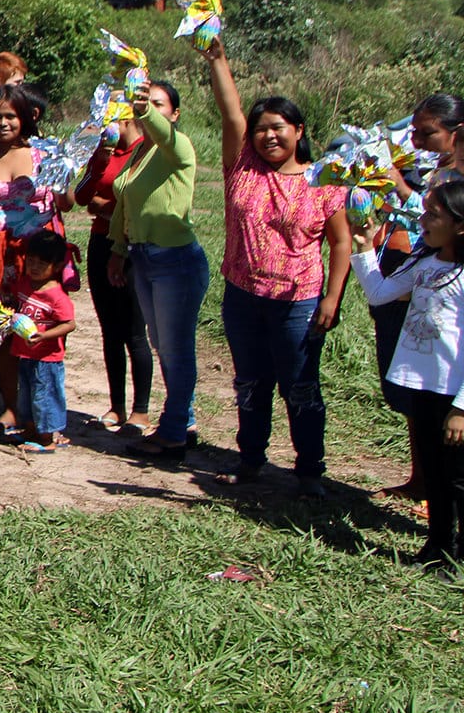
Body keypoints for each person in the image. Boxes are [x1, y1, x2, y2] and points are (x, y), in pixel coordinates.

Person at [202, 42, 350, 496]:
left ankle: (309, 471)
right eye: (261, 129)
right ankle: (251, 459)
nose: (268, 136)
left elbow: (341, 241)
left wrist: (332, 297)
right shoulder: (242, 167)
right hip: (243, 296)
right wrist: (217, 59)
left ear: (298, 130)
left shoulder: (324, 181)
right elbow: (231, 113)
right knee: (250, 382)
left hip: (297, 301)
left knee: (300, 387)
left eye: (278, 128)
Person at [350, 182, 464, 568]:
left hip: (454, 395)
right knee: (434, 472)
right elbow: (379, 293)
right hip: (424, 387)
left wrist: (462, 408)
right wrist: (365, 247)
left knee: (457, 478)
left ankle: (455, 555)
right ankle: (438, 548)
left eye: (433, 214)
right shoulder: (424, 265)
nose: (422, 219)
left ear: (460, 225)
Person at [0, 81, 71, 439]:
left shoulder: (44, 154)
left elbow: (67, 203)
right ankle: (11, 407)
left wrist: (65, 175)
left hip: (37, 259)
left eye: (10, 116)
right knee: (3, 330)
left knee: (40, 331)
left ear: (25, 118)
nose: (3, 123)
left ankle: (43, 415)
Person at [108, 79, 208, 462]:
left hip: (175, 261)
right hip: (144, 259)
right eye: (145, 103)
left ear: (174, 114)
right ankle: (185, 422)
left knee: (175, 349)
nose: (148, 109)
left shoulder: (178, 146)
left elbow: (163, 132)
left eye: (158, 104)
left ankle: (173, 433)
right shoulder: (141, 152)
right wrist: (119, 250)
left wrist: (143, 108)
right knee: (164, 346)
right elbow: (125, 205)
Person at [75, 116, 153, 433]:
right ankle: (116, 406)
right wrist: (99, 163)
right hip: (101, 243)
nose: (103, 125)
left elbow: (136, 204)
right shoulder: (104, 152)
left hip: (134, 247)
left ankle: (141, 410)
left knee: (135, 331)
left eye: (109, 118)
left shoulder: (146, 150)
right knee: (110, 330)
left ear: (126, 118)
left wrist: (104, 207)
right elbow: (82, 197)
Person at [5, 230, 77, 452]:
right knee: (27, 395)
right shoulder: (25, 284)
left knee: (45, 397)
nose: (34, 267)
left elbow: (69, 324)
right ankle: (31, 430)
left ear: (57, 266)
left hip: (47, 358)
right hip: (25, 353)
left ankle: (46, 439)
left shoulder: (57, 295)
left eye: (42, 263)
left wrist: (44, 335)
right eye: (31, 261)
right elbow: (16, 304)